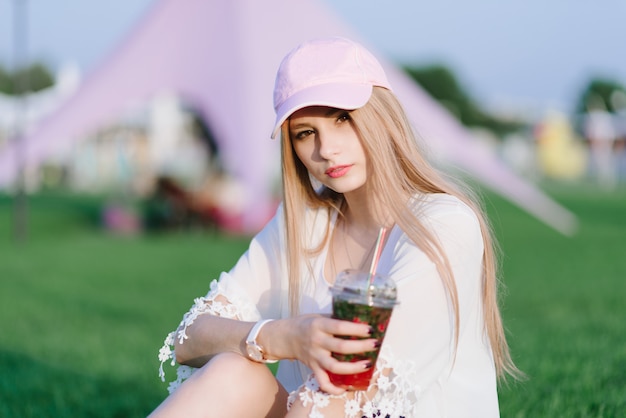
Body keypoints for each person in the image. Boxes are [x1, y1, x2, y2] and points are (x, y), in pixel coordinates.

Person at [149, 37, 521, 418]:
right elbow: (189, 338)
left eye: (342, 118)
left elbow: (344, 398)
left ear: (381, 115)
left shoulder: (443, 224)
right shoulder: (305, 224)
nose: (326, 149)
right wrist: (282, 336)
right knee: (233, 371)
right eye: (305, 133)